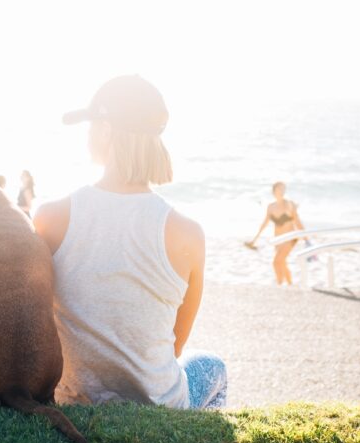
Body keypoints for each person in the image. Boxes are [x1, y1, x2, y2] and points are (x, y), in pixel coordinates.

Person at [34, 75, 226, 410]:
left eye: (91, 125)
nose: (89, 134)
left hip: (73, 400)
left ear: (106, 129)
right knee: (213, 367)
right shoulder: (187, 233)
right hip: (159, 404)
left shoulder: (51, 217)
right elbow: (175, 347)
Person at [245, 182, 305, 285]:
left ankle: (279, 284)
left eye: (283, 189)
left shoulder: (290, 204)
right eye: (279, 189)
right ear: (274, 191)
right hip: (278, 239)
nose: (281, 191)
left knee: (276, 261)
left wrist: (307, 239)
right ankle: (290, 284)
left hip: (290, 238)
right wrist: (255, 239)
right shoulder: (271, 207)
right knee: (282, 262)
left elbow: (297, 222)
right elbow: (264, 224)